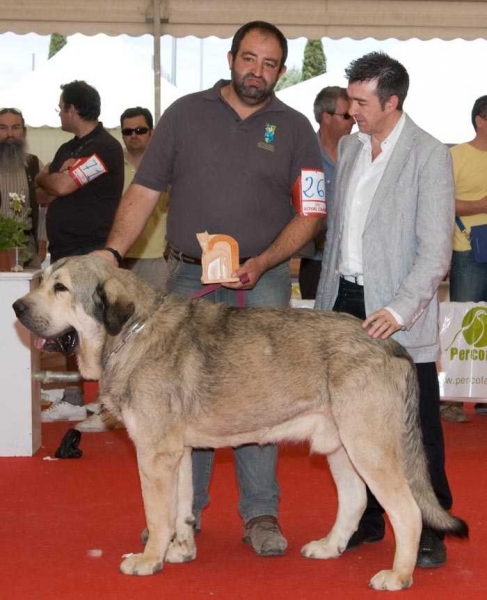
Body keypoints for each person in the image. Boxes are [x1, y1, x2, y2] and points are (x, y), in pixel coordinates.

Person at [97, 21, 324, 556]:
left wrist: (264, 260)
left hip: (262, 281)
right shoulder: (183, 115)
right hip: (185, 279)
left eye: (270, 65)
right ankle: (182, 518)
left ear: (282, 71)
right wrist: (111, 255)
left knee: (264, 399)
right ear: (230, 58)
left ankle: (260, 514)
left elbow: (311, 211)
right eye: (250, 59)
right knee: (176, 400)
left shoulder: (295, 128)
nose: (257, 72)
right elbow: (145, 190)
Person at [315, 52, 455, 569]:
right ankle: (368, 520)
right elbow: (337, 236)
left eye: (361, 101)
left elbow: (435, 251)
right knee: (350, 423)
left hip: (397, 314)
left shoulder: (429, 154)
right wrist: (325, 301)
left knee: (415, 426)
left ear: (392, 102)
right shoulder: (351, 149)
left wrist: (399, 311)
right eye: (350, 99)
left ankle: (430, 524)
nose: (351, 110)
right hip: (343, 303)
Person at [35, 80, 124, 423]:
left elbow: (60, 185)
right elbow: (45, 195)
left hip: (92, 254)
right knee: (68, 328)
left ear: (73, 109)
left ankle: (107, 406)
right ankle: (76, 398)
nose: (58, 112)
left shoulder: (104, 148)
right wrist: (50, 179)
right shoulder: (67, 148)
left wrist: (48, 176)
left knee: (99, 329)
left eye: (61, 107)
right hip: (64, 251)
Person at [76, 106, 169, 433]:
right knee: (111, 337)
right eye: (127, 131)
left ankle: (150, 402)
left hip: (155, 258)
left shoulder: (166, 167)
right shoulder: (113, 167)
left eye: (140, 130)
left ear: (151, 131)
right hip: (118, 261)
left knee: (153, 338)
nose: (133, 137)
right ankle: (108, 408)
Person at [440, 95, 487, 423]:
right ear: (480, 120)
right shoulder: (455, 155)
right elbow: (442, 203)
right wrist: (482, 205)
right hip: (468, 251)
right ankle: (453, 400)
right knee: (463, 326)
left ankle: (483, 397)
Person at [298, 87, 353, 298]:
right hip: (315, 261)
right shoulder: (302, 154)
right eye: (346, 115)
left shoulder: (360, 153)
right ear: (325, 117)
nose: (354, 121)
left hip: (353, 262)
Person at [0, 107, 42, 268]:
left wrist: (42, 241)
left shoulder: (34, 164)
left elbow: (44, 207)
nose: (10, 134)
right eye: (2, 128)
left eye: (15, 128)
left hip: (27, 248)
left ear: (23, 132)